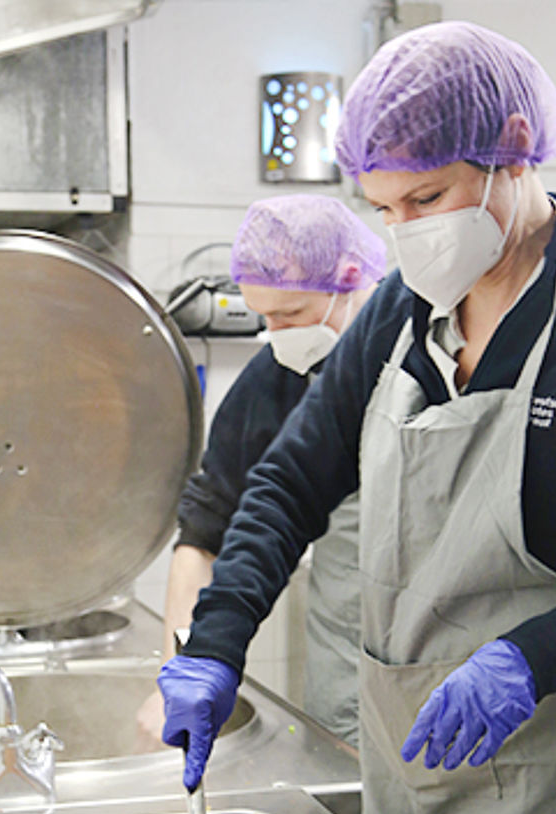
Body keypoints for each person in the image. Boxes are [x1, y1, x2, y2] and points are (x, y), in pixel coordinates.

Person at [157, 21, 556, 814]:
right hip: (406, 798)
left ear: (515, 146)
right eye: (384, 208)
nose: (408, 233)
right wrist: (216, 640)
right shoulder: (403, 310)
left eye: (428, 198)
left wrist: (539, 655)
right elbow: (288, 482)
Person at [138, 194, 386, 745]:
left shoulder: (429, 349)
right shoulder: (276, 378)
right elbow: (206, 531)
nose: (277, 333)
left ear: (349, 278)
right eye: (264, 317)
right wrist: (176, 674)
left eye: (291, 314)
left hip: (458, 673)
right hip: (346, 677)